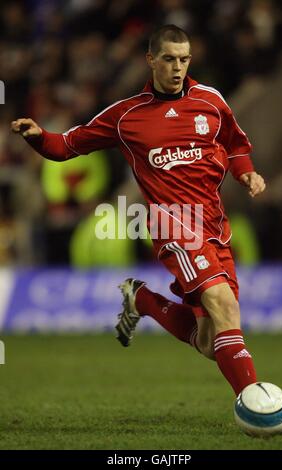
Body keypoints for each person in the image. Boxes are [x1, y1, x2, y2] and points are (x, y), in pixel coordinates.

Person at [12, 25, 265, 398]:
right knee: (224, 304)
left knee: (210, 343)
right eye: (168, 59)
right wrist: (38, 136)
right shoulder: (126, 116)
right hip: (173, 225)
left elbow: (235, 145)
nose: (177, 68)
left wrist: (247, 173)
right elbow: (66, 145)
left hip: (216, 225)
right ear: (151, 60)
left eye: (184, 59)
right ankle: (257, 403)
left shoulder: (210, 101)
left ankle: (143, 298)